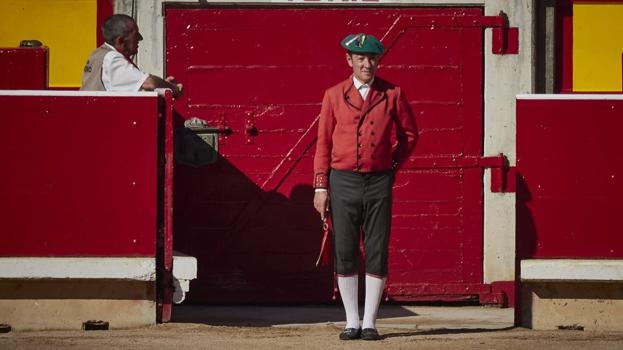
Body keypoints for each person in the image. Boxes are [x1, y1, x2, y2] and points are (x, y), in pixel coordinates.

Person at [313, 33, 418, 341]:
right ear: (349, 60)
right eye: (360, 59)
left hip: (378, 181)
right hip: (342, 180)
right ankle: (351, 320)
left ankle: (370, 321)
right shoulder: (333, 95)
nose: (367, 64)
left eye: (372, 58)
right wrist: (321, 187)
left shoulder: (393, 94)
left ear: (378, 60)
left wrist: (392, 165)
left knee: (376, 249)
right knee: (345, 250)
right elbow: (323, 143)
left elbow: (410, 136)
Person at [80, 14, 182, 96]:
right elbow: (149, 83)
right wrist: (174, 88)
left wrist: (163, 85)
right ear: (120, 41)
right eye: (135, 35)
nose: (140, 38)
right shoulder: (112, 59)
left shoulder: (98, 53)